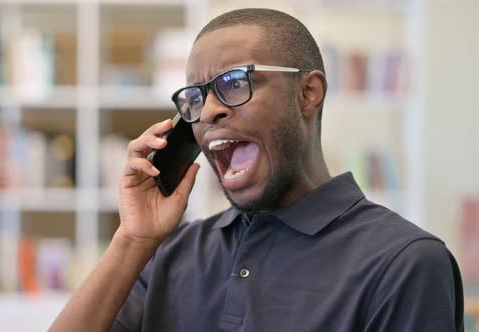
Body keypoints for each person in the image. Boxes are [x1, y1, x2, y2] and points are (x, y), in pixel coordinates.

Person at [50, 8, 464, 332]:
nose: (209, 110)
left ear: (308, 93)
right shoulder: (172, 254)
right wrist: (131, 241)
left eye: (234, 82)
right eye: (195, 97)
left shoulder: (404, 262)